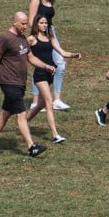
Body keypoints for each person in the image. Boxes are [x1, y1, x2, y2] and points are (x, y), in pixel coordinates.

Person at [0, 11, 57, 156]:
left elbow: (30, 57)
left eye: (25, 23)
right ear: (14, 22)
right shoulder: (5, 38)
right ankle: (32, 146)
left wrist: (45, 66)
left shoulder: (22, 39)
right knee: (21, 114)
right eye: (22, 23)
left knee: (6, 112)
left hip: (19, 82)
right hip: (9, 82)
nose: (24, 26)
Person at [23, 15, 80, 144]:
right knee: (49, 102)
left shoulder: (50, 38)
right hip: (40, 74)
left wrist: (73, 55)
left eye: (46, 23)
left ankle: (22, 123)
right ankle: (55, 135)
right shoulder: (31, 39)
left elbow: (62, 52)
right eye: (42, 23)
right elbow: (21, 51)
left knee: (41, 104)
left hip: (50, 73)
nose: (44, 25)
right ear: (36, 24)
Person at [27, 0, 71, 110]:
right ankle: (35, 102)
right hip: (40, 35)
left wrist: (49, 33)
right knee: (40, 66)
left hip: (51, 33)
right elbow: (31, 20)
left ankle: (56, 99)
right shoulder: (35, 0)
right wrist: (37, 36)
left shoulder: (48, 0)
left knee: (60, 65)